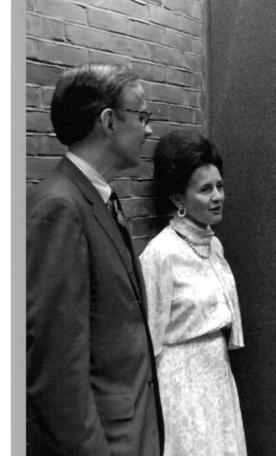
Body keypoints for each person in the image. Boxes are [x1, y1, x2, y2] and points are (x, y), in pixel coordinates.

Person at [27, 63, 164, 455]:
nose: (149, 130)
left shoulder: (97, 197)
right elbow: (55, 373)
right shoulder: (59, 207)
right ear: (108, 121)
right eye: (142, 117)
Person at [139, 130, 247, 456]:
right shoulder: (160, 255)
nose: (218, 196)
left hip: (217, 374)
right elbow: (148, 340)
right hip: (181, 388)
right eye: (205, 189)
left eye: (220, 186)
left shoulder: (213, 244)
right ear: (177, 199)